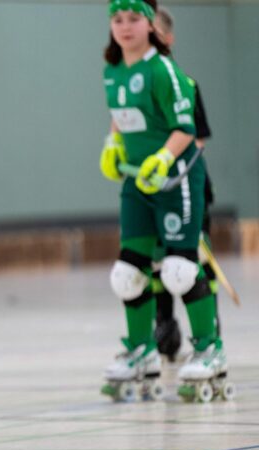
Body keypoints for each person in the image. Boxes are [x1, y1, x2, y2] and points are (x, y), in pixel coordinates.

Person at [98, 0, 230, 403]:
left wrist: (163, 158)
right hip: (137, 182)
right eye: (117, 19)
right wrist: (112, 143)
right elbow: (121, 114)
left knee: (179, 269)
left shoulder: (164, 70)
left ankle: (209, 349)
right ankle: (142, 351)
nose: (125, 26)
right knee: (127, 274)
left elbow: (186, 128)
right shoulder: (113, 70)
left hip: (177, 180)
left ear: (150, 24)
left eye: (134, 18)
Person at [150, 6, 221, 361]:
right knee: (156, 261)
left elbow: (197, 139)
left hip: (186, 186)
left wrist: (168, 159)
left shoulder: (185, 84)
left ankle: (210, 331)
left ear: (168, 39)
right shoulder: (136, 86)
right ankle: (164, 324)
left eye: (153, 34)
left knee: (192, 261)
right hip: (152, 190)